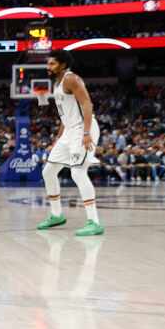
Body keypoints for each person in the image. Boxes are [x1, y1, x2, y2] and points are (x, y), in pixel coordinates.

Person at [37, 51, 104, 236]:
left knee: (78, 172)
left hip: (82, 129)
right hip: (69, 131)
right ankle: (56, 215)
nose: (48, 67)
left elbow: (87, 104)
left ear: (63, 65)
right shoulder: (57, 84)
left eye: (52, 64)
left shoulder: (71, 79)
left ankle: (94, 222)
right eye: (48, 64)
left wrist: (86, 132)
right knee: (48, 171)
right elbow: (64, 116)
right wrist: (58, 139)